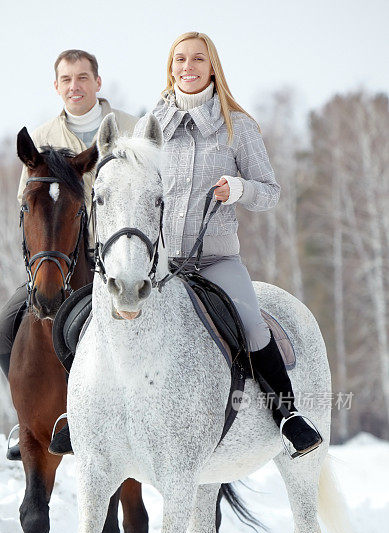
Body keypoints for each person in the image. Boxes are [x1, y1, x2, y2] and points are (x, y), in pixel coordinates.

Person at [134, 31, 322, 457]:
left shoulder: (238, 126)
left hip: (215, 259)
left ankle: (288, 416)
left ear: (212, 67)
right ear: (170, 68)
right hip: (160, 262)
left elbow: (270, 192)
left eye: (198, 59)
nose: (188, 67)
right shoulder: (151, 127)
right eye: (179, 59)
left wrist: (238, 189)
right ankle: (86, 413)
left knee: (251, 322)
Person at [0, 49, 137, 458]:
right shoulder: (41, 137)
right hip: (59, 263)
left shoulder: (129, 128)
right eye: (67, 79)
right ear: (57, 86)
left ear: (97, 83)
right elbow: (27, 205)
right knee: (1, 328)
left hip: (122, 260)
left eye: (83, 77)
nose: (75, 86)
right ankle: (28, 420)